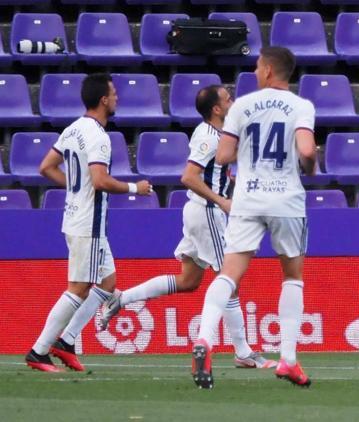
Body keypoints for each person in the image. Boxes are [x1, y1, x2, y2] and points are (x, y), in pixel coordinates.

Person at [98, 85, 275, 369]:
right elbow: (189, 177)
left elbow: (222, 166)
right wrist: (221, 201)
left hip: (199, 211)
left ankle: (122, 298)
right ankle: (242, 351)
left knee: (189, 281)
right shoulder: (207, 136)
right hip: (206, 212)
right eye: (228, 99)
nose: (233, 101)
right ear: (216, 109)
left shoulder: (219, 135)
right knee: (229, 279)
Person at [190, 46, 317, 389]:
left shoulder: (243, 105)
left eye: (259, 65)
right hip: (286, 201)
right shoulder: (302, 106)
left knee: (230, 273)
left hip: (247, 199)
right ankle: (288, 360)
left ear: (269, 71)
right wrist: (312, 162)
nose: (256, 70)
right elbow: (306, 151)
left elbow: (224, 155)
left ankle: (204, 339)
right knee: (292, 276)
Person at [25, 73, 152, 372]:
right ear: (103, 100)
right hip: (88, 223)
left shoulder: (72, 130)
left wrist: (74, 188)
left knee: (107, 283)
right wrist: (137, 189)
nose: (117, 97)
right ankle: (39, 350)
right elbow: (100, 180)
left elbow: (46, 167)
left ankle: (66, 341)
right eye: (114, 93)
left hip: (74, 216)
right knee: (78, 288)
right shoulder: (98, 136)